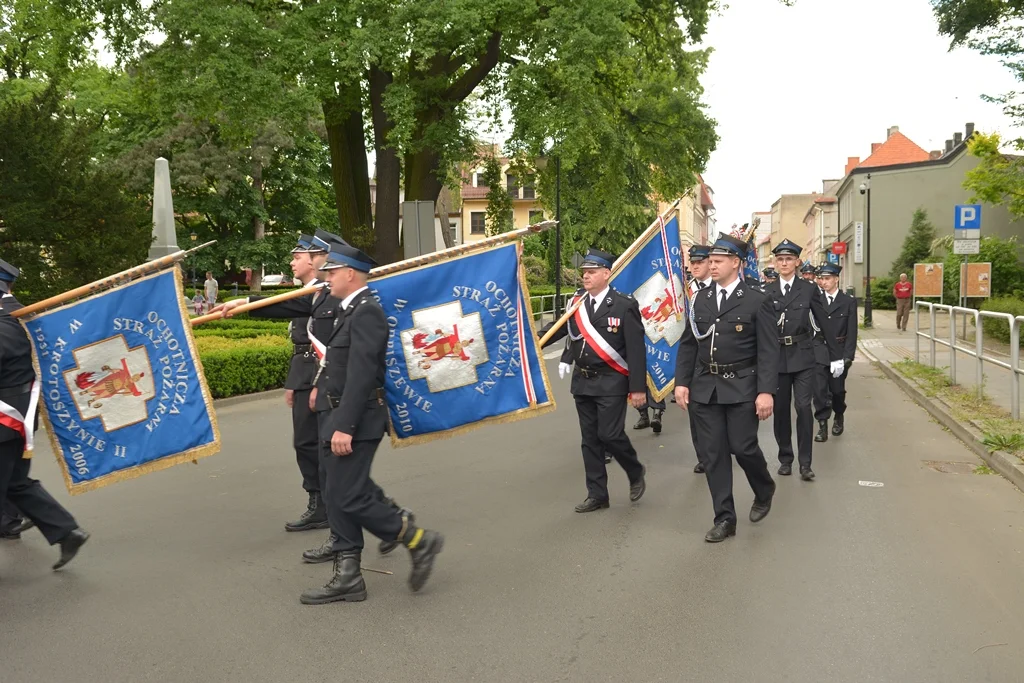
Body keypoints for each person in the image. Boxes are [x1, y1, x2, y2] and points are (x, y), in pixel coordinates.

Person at [299, 242, 444, 605]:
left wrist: (344, 426)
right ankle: (348, 576)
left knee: (348, 494)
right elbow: (336, 365)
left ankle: (417, 540)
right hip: (335, 414)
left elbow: (363, 374)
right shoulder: (347, 310)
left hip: (356, 418)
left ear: (350, 274)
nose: (325, 277)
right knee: (336, 493)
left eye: (331, 272)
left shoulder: (367, 312)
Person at [217, 233, 335, 532]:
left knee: (326, 447)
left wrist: (244, 302)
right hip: (306, 375)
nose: (291, 262)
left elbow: (292, 310)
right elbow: (298, 340)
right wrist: (294, 382)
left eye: (297, 257)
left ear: (316, 259)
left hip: (324, 377)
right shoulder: (310, 293)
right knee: (308, 443)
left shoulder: (324, 293)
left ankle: (364, 511)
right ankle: (324, 503)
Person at [674, 235, 777, 543]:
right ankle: (725, 518)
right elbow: (689, 344)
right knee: (714, 454)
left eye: (719, 261)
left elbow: (769, 351)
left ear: (736, 263)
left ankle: (764, 487)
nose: (712, 265)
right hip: (706, 387)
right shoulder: (700, 299)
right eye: (710, 261)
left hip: (743, 385)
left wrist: (766, 391)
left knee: (743, 447)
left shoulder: (757, 299)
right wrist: (682, 382)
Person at [540, 248, 647, 513]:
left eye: (591, 272)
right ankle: (597, 494)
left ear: (606, 274)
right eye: (584, 272)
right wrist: (533, 342)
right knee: (590, 440)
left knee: (609, 435)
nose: (585, 277)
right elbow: (558, 328)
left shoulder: (624, 304)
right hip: (583, 381)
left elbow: (635, 348)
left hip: (612, 380)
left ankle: (635, 470)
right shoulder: (577, 303)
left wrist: (637, 388)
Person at [0, 258, 89, 569]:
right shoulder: (16, 315)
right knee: (16, 485)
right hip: (13, 421)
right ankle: (66, 532)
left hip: (6, 419)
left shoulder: (7, 321)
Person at [763, 240, 837, 481]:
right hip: (777, 359)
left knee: (803, 408)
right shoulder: (767, 292)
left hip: (804, 356)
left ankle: (806, 463)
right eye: (780, 259)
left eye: (788, 259)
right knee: (781, 410)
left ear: (797, 262)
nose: (784, 263)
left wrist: (836, 355)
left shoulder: (808, 289)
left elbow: (824, 321)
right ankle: (786, 458)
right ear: (775, 263)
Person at [813, 264, 857, 439]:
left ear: (836, 279)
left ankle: (839, 414)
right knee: (819, 391)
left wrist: (847, 357)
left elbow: (852, 331)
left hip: (838, 351)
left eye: (827, 278)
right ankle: (822, 425)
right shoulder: (816, 301)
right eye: (821, 279)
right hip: (819, 350)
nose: (824, 282)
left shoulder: (848, 302)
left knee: (837, 391)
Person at [685, 244, 713, 474]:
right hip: (691, 356)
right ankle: (703, 455)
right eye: (692, 262)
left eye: (699, 262)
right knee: (696, 410)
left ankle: (719, 447)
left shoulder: (718, 288)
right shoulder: (683, 290)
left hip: (714, 355)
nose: (694, 266)